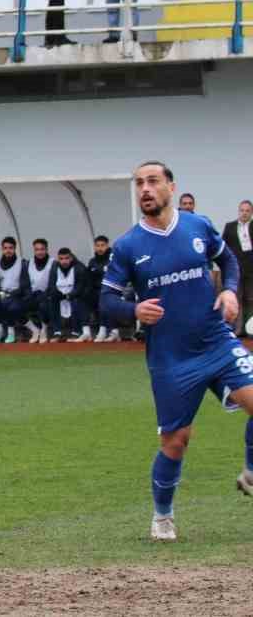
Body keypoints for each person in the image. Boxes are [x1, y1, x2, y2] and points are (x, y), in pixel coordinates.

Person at [99, 160, 253, 542]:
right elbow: (105, 300)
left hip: (216, 340)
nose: (145, 189)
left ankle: (250, 472)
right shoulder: (128, 246)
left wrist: (230, 290)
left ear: (170, 186)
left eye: (152, 181)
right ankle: (163, 516)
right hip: (171, 360)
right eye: (139, 183)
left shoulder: (197, 225)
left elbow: (227, 260)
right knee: (176, 441)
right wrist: (133, 309)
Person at [49, 247, 92, 342]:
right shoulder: (54, 268)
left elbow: (80, 287)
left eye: (66, 258)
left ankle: (76, 332)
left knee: (78, 301)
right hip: (60, 297)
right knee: (51, 301)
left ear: (71, 258)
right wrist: (59, 295)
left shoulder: (79, 267)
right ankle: (57, 332)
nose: (64, 261)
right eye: (61, 259)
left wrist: (69, 296)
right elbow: (51, 285)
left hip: (75, 297)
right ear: (58, 259)